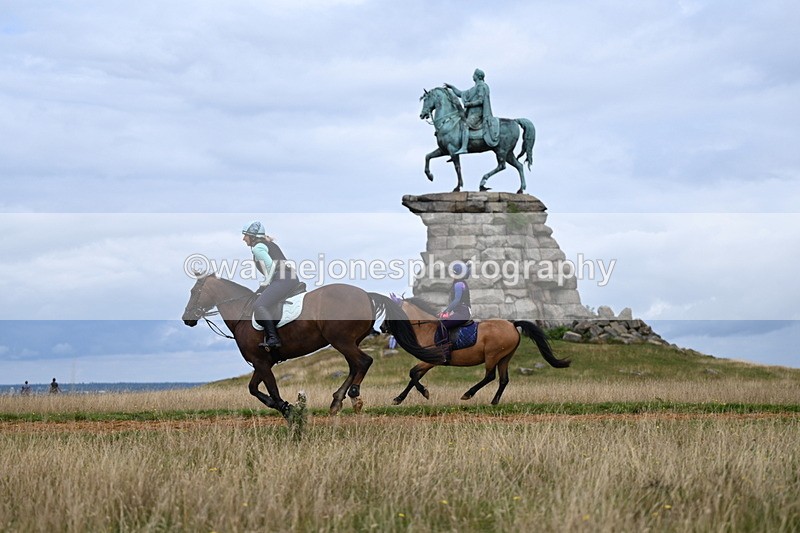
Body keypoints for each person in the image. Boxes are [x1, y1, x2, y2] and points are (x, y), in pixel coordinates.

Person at [242, 221, 300, 350]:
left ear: (252, 236)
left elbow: (271, 267)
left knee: (259, 305)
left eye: (245, 235)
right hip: (289, 277)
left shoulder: (258, 248)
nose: (243, 238)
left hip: (282, 278)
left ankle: (273, 338)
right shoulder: (269, 244)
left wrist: (264, 285)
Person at [444, 68, 499, 154]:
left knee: (465, 124)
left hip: (478, 114)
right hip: (471, 114)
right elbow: (460, 93)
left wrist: (469, 104)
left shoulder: (481, 86)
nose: (472, 76)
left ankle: (464, 147)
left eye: (474, 74)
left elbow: (481, 100)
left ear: (477, 76)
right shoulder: (474, 88)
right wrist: (452, 87)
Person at [438, 262, 472, 329]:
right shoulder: (459, 283)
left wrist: (446, 312)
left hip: (463, 313)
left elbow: (457, 300)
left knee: (442, 325)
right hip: (461, 311)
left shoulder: (459, 284)